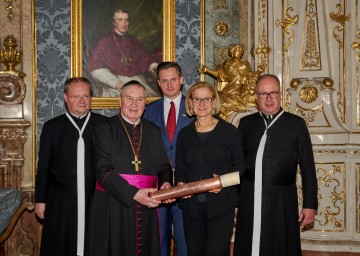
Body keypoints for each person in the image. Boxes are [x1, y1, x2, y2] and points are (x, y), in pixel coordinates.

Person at [233, 74, 318, 256]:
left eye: (273, 93)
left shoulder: (296, 124)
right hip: (249, 195)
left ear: (280, 95)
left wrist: (310, 204)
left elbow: (308, 168)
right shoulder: (246, 124)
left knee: (280, 244)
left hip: (282, 198)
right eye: (263, 94)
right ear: (256, 97)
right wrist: (235, 201)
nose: (269, 98)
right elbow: (237, 166)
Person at [88, 80, 174, 255]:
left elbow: (163, 165)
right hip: (114, 204)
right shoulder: (104, 128)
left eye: (140, 99)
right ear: (120, 101)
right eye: (129, 98)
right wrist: (134, 194)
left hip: (147, 202)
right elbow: (102, 170)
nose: (134, 104)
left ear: (145, 104)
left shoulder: (153, 130)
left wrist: (165, 184)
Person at [34, 77, 107, 256]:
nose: (82, 101)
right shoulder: (52, 127)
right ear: (66, 97)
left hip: (96, 198)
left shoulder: (104, 125)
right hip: (61, 200)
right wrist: (40, 200)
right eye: (76, 96)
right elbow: (43, 166)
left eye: (86, 96)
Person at [175, 81, 245, 256]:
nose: (202, 104)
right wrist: (182, 185)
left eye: (206, 99)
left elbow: (241, 167)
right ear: (190, 102)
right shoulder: (184, 134)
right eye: (197, 99)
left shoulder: (229, 131)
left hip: (221, 206)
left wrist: (222, 182)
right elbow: (181, 168)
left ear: (214, 102)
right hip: (191, 208)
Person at [143, 62, 193, 256]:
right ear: (158, 83)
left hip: (186, 187)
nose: (169, 84)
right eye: (164, 81)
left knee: (186, 243)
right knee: (157, 243)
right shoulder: (147, 111)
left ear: (181, 80)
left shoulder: (195, 108)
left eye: (173, 79)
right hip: (156, 188)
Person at [88, 9, 162, 97]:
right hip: (115, 83)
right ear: (114, 22)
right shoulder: (105, 41)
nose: (124, 24)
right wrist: (117, 84)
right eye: (120, 20)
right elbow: (96, 68)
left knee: (151, 96)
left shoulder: (133, 40)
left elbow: (146, 59)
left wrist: (155, 69)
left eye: (126, 20)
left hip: (136, 80)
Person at [199, 44, 265, 118]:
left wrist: (259, 71)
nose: (239, 51)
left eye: (240, 50)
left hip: (241, 90)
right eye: (236, 50)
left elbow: (251, 76)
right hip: (229, 89)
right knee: (219, 100)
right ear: (231, 52)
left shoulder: (245, 63)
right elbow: (220, 75)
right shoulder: (227, 63)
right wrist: (207, 70)